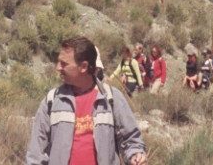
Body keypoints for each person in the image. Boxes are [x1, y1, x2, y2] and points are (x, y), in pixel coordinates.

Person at [25, 36, 148, 165]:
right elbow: (36, 154)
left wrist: (135, 154)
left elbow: (131, 139)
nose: (58, 68)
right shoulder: (51, 101)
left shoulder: (112, 98)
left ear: (83, 67)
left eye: (64, 64)